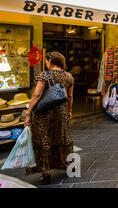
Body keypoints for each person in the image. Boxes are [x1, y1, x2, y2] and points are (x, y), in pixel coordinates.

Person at [24, 51, 74, 184]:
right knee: (62, 139)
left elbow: (37, 95)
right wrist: (69, 111)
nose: (46, 63)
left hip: (44, 114)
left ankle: (46, 172)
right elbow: (70, 96)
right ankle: (68, 165)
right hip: (61, 113)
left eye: (46, 61)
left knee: (43, 141)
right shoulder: (69, 76)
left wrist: (28, 113)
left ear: (50, 61)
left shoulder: (45, 75)